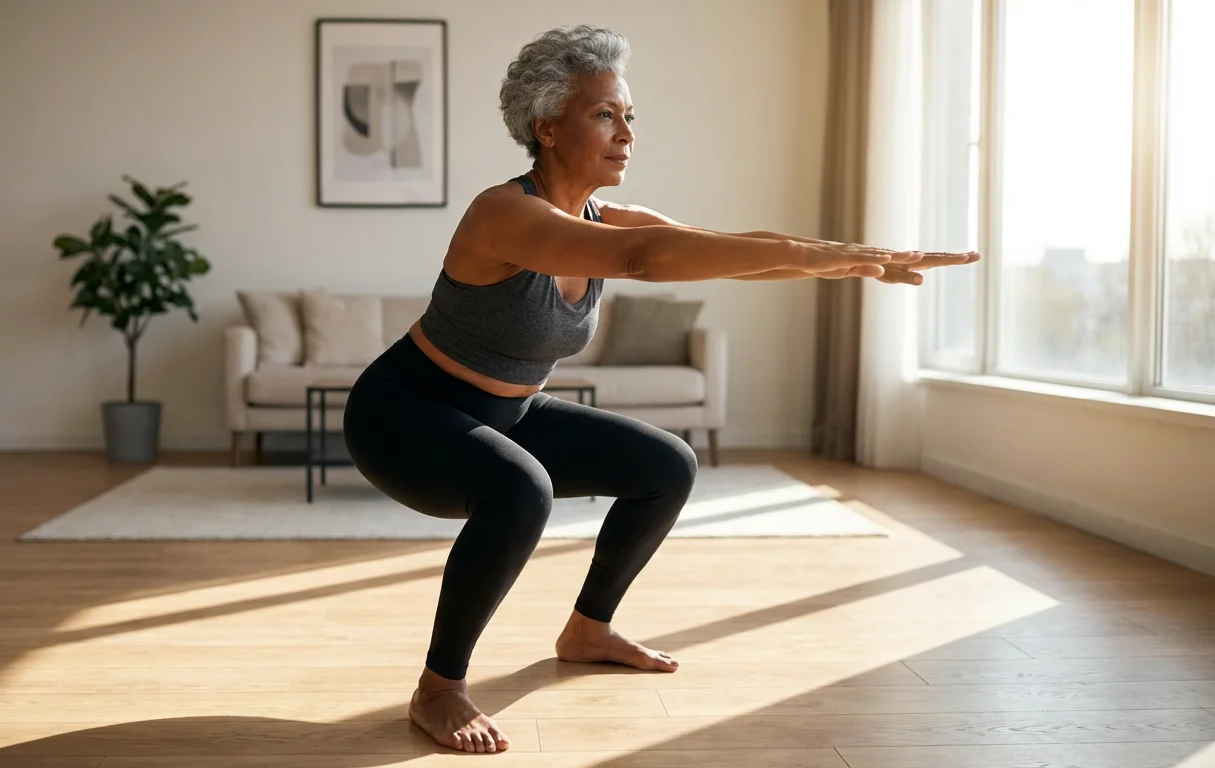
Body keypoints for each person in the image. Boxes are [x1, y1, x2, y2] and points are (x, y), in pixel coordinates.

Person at [341, 24, 979, 755]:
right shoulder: (506, 214)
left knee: (664, 466)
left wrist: (849, 259)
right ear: (547, 127)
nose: (626, 134)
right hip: (404, 413)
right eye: (604, 114)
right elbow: (644, 259)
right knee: (521, 490)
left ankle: (589, 629)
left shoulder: (604, 218)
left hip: (505, 410)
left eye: (629, 116)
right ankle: (439, 688)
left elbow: (729, 251)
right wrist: (837, 261)